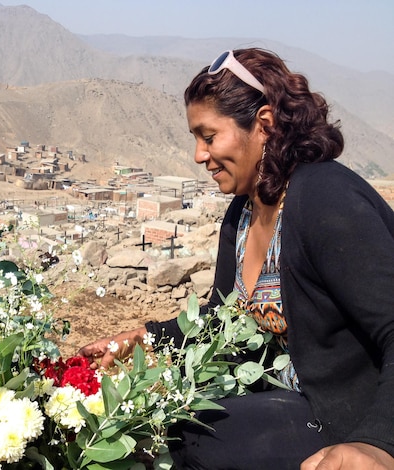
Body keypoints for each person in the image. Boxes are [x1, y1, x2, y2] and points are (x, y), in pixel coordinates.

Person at [78, 48, 394, 470]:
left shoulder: (323, 198)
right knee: (147, 422)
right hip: (287, 404)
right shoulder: (242, 214)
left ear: (263, 125)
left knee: (184, 440)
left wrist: (377, 444)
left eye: (209, 137)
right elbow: (223, 320)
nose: (198, 155)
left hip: (346, 423)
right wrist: (144, 337)